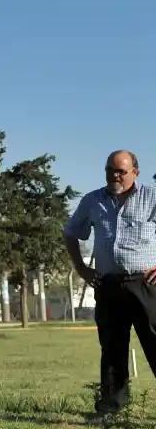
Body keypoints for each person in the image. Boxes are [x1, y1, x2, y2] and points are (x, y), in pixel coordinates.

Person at [63, 150, 156, 414]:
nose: (114, 175)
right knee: (112, 348)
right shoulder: (92, 201)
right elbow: (71, 232)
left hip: (146, 285)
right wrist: (81, 268)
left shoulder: (152, 198)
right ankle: (111, 407)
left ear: (135, 172)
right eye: (109, 170)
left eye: (121, 171)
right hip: (108, 286)